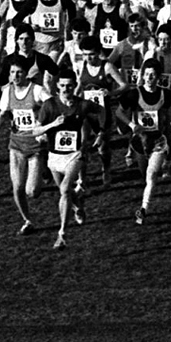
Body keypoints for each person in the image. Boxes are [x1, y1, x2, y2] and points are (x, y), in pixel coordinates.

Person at [32, 69, 103, 248]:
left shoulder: (82, 105)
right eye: (62, 85)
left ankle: (62, 233)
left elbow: (101, 110)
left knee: (64, 189)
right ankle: (78, 205)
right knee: (66, 193)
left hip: (75, 155)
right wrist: (53, 124)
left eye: (69, 86)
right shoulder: (49, 105)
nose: (66, 89)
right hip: (54, 157)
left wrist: (101, 132)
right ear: (57, 86)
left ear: (74, 86)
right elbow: (35, 131)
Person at [0, 58, 51, 234]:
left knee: (32, 192)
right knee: (17, 187)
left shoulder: (37, 90)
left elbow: (52, 106)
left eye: (19, 72)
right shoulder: (7, 91)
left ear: (26, 74)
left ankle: (44, 167)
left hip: (35, 145)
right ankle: (27, 220)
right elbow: (3, 112)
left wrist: (42, 126)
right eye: (12, 73)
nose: (15, 76)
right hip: (16, 143)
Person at [121, 59, 171, 224]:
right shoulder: (135, 94)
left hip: (158, 141)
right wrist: (131, 124)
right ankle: (146, 199)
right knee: (144, 175)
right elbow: (120, 112)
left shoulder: (165, 94)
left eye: (153, 75)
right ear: (142, 75)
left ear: (159, 77)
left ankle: (143, 209)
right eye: (146, 74)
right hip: (139, 142)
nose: (149, 78)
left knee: (152, 173)